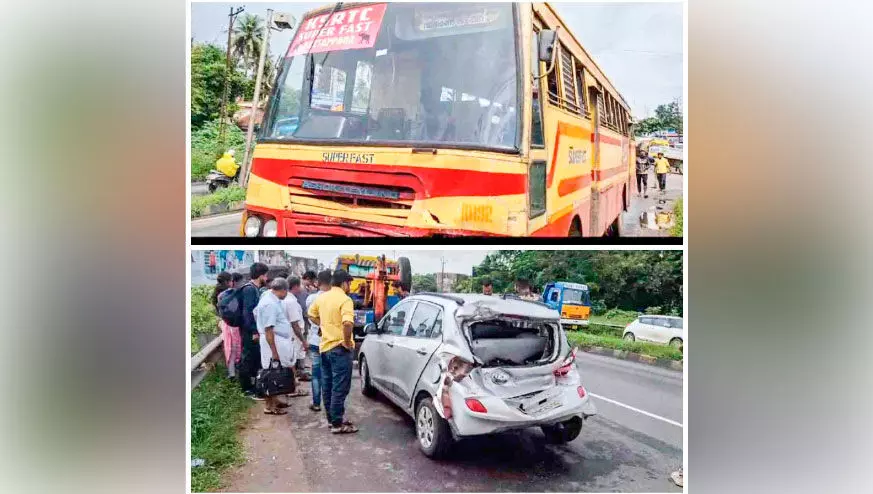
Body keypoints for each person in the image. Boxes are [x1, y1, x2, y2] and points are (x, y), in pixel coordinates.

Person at [308, 269, 358, 434]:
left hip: (325, 348)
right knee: (340, 387)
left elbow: (310, 314)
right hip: (339, 349)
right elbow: (348, 323)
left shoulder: (322, 297)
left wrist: (323, 325)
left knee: (328, 385)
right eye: (349, 283)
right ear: (344, 283)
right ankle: (337, 423)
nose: (349, 286)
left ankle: (332, 420)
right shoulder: (345, 299)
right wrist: (347, 342)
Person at [254, 277, 296, 415]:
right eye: (286, 291)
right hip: (272, 342)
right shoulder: (270, 303)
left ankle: (275, 400)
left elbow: (255, 313)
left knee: (274, 372)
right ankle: (269, 406)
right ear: (283, 290)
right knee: (270, 372)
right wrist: (274, 352)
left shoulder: (269, 297)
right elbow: (268, 329)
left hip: (275, 339)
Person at [239, 262, 270, 400]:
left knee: (254, 358)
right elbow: (248, 313)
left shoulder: (255, 289)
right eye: (266, 275)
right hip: (249, 331)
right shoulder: (250, 290)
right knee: (247, 358)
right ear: (261, 275)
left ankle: (255, 387)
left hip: (253, 329)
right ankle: (246, 389)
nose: (267, 278)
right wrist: (254, 332)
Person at [305, 270, 332, 412]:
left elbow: (309, 316)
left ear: (318, 282)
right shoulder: (334, 299)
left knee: (316, 374)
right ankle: (331, 405)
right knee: (329, 374)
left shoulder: (311, 298)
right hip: (330, 341)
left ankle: (316, 403)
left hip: (315, 340)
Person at [282, 276, 310, 397]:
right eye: (300, 285)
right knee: (291, 362)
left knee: (289, 361)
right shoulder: (291, 301)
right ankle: (292, 388)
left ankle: (292, 385)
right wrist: (303, 340)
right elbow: (295, 325)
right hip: (293, 336)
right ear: (296, 286)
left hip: (288, 335)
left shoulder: (285, 299)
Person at [215, 273, 244, 378]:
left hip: (226, 324)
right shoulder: (238, 293)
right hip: (238, 325)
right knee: (239, 347)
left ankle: (231, 373)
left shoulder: (220, 295)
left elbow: (220, 312)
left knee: (230, 348)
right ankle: (239, 372)